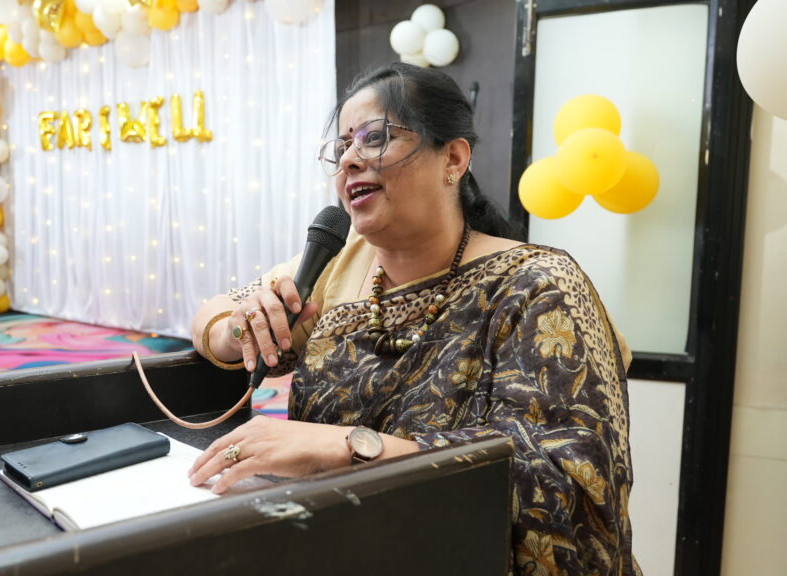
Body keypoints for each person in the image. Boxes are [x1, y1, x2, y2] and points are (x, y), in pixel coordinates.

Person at [187, 62, 639, 575]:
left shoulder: (538, 284)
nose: (349, 160)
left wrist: (348, 449)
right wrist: (238, 329)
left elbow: (567, 489)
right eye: (342, 148)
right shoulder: (335, 267)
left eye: (374, 138)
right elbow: (212, 314)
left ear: (453, 158)